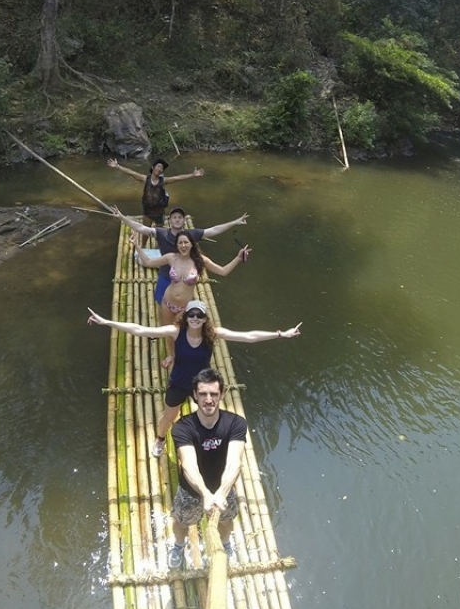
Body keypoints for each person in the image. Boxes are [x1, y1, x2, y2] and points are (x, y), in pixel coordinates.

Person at [87, 300, 300, 458]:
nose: (195, 319)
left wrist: (281, 334)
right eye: (191, 315)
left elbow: (247, 336)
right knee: (169, 416)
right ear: (186, 316)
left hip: (202, 384)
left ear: (205, 318)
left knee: (210, 414)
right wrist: (106, 322)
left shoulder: (212, 334)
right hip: (179, 381)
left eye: (199, 316)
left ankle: (208, 443)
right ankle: (160, 439)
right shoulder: (176, 331)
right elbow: (140, 330)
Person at [131, 231, 251, 367]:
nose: (183, 245)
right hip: (167, 302)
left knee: (181, 332)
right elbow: (148, 261)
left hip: (184, 307)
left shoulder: (200, 260)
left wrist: (238, 258)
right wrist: (136, 245)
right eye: (180, 242)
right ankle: (172, 355)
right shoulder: (171, 258)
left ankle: (182, 356)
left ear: (192, 244)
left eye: (186, 242)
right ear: (176, 245)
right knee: (168, 331)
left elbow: (223, 271)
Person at [168, 367, 246, 568]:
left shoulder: (236, 424)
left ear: (222, 394)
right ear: (194, 395)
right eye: (202, 394)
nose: (208, 399)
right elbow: (188, 464)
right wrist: (205, 493)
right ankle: (178, 545)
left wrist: (220, 493)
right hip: (191, 490)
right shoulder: (182, 427)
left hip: (223, 489)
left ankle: (226, 543)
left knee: (226, 520)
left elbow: (234, 462)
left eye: (213, 394)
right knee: (182, 522)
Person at [112, 204, 248, 309]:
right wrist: (122, 217)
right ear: (169, 220)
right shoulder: (162, 233)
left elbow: (213, 230)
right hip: (166, 274)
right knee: (161, 303)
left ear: (184, 220)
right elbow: (141, 228)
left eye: (180, 217)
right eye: (174, 217)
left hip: (184, 278)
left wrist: (234, 222)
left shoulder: (190, 235)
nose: (177, 219)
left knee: (182, 306)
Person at [106, 157, 205, 226]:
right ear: (153, 168)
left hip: (159, 211)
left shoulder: (164, 181)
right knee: (145, 231)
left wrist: (192, 175)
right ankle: (144, 247)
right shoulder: (145, 179)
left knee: (159, 233)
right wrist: (118, 166)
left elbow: (177, 178)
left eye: (161, 168)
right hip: (148, 211)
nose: (159, 169)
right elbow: (132, 173)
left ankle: (159, 250)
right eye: (158, 166)